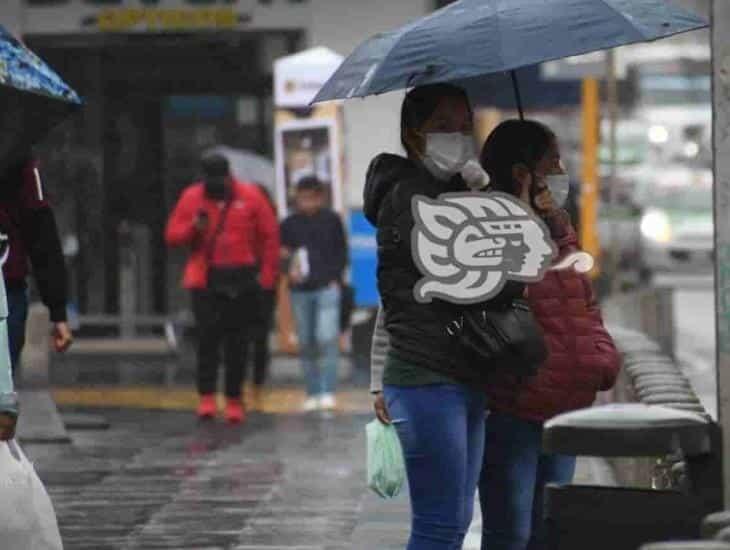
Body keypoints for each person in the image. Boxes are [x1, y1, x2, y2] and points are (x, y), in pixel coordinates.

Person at [365, 83, 524, 550]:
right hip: (425, 374)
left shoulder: (450, 191)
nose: (457, 134)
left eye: (464, 124)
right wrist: (485, 203)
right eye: (442, 126)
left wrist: (483, 192)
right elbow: (481, 275)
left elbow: (391, 303)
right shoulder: (409, 198)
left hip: (465, 369)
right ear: (413, 134)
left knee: (456, 518)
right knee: (438, 523)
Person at [477, 119, 621, 550]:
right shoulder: (487, 228)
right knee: (511, 532)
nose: (561, 173)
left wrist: (600, 358)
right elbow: (493, 308)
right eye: (552, 164)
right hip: (514, 410)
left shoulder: (559, 228)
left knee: (550, 532)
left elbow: (585, 305)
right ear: (523, 172)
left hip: (565, 408)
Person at [165, 155, 279, 424]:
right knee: (207, 341)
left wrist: (267, 276)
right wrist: (194, 227)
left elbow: (269, 236)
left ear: (229, 176)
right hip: (207, 280)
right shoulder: (192, 198)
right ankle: (206, 397)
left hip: (243, 279)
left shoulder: (251, 196)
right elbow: (172, 236)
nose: (216, 184)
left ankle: (233, 399)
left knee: (238, 343)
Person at [0, 154, 73, 376]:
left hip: (7, 294)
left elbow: (42, 239)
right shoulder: (22, 166)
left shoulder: (22, 169)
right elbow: (43, 239)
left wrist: (58, 310)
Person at [280, 176, 348, 412]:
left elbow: (342, 252)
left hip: (326, 287)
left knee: (326, 337)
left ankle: (328, 391)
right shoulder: (289, 223)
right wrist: (289, 268)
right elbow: (283, 253)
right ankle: (313, 391)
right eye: (302, 198)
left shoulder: (332, 220)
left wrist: (334, 279)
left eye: (311, 197)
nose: (306, 202)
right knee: (306, 340)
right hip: (299, 289)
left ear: (320, 197)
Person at [243, 183, 278, 410]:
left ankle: (256, 381)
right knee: (254, 337)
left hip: (261, 286)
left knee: (258, 337)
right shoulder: (244, 221)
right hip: (252, 284)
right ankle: (254, 382)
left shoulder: (270, 223)